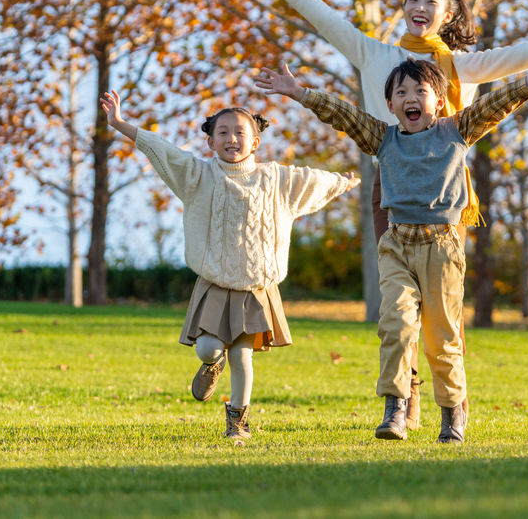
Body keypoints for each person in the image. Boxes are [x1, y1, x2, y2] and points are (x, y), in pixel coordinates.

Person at [236, 0, 528, 428]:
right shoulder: (373, 53)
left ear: (447, 14)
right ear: (403, 7)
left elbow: (520, 62)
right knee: (397, 311)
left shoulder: (459, 68)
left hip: (444, 195)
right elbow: (320, 15)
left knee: (441, 316)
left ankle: (452, 405)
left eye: (431, 1)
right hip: (391, 181)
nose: (419, 7)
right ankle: (404, 404)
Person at [256, 54, 528, 443]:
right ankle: (396, 407)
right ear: (390, 105)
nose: (411, 97)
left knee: (441, 338)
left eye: (420, 91)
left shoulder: (456, 130)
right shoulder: (382, 138)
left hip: (441, 248)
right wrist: (300, 93)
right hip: (397, 245)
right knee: (395, 325)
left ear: (438, 101)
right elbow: (342, 114)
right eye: (401, 92)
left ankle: (452, 412)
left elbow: (495, 104)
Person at [100, 90, 360, 440]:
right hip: (215, 281)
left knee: (242, 356)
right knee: (209, 348)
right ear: (210, 142)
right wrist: (119, 123)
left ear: (254, 142)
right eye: (223, 132)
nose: (231, 138)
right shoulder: (197, 176)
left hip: (256, 285)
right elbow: (163, 150)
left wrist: (343, 182)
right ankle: (212, 364)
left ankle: (238, 421)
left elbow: (312, 179)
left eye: (240, 132)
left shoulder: (276, 179)